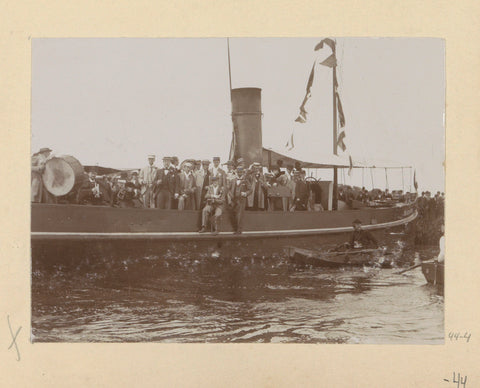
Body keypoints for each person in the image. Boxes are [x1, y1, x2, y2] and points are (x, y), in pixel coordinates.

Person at [228, 166, 253, 234]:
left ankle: (239, 230)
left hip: (241, 199)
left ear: (243, 172)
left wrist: (245, 193)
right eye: (238, 172)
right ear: (236, 172)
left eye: (241, 172)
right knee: (233, 214)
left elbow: (250, 190)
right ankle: (235, 228)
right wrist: (231, 195)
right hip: (234, 199)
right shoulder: (233, 180)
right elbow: (228, 189)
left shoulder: (245, 180)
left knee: (239, 215)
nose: (239, 173)